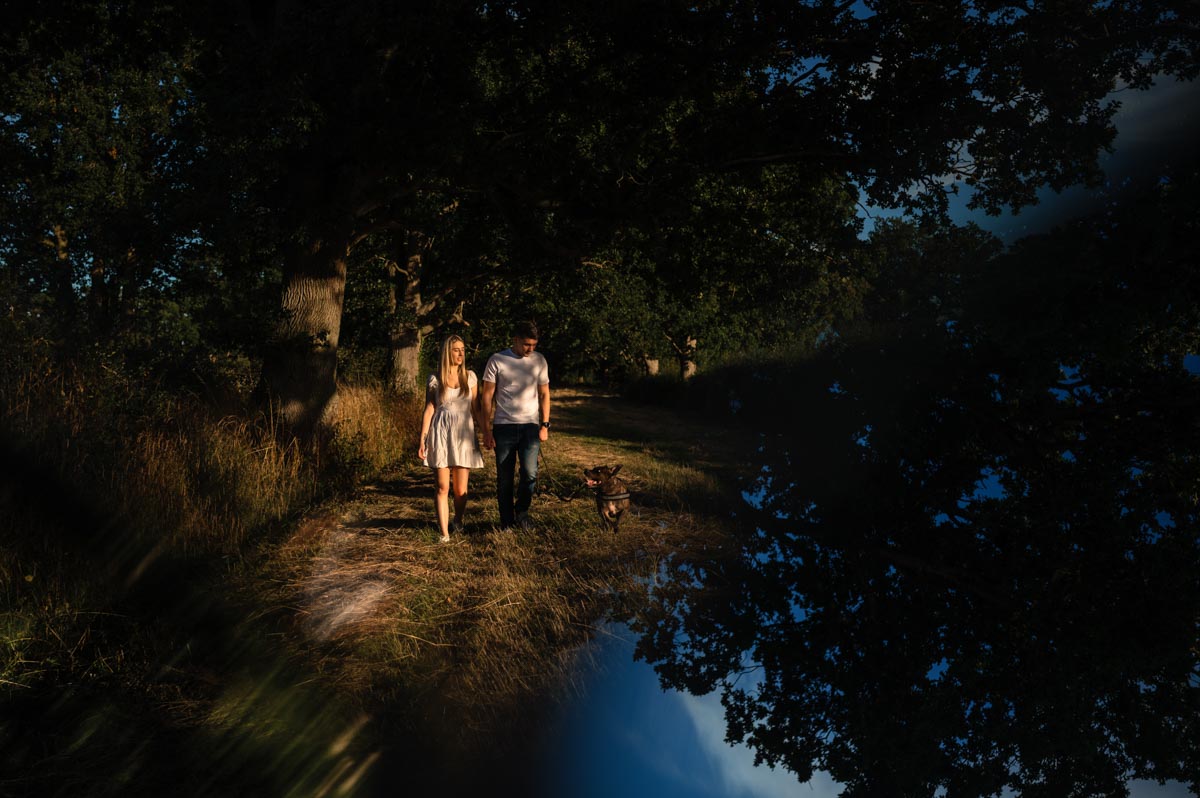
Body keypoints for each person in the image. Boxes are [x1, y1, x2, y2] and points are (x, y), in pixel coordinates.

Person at [481, 320, 550, 531]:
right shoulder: (497, 360)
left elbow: (544, 393)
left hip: (530, 426)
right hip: (504, 427)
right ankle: (506, 522)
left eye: (534, 345)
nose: (530, 349)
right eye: (526, 344)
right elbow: (486, 396)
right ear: (516, 340)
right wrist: (486, 430)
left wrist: (545, 425)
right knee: (505, 478)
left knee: (530, 473)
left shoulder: (539, 360)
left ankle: (522, 512)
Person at [418, 334, 485, 542]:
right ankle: (444, 533)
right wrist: (422, 438)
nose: (461, 354)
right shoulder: (435, 378)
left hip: (463, 435)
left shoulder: (470, 377)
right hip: (440, 434)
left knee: (460, 489)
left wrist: (488, 433)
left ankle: (458, 520)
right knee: (442, 487)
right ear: (448, 352)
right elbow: (430, 408)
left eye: (463, 350)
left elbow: (477, 409)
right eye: (457, 350)